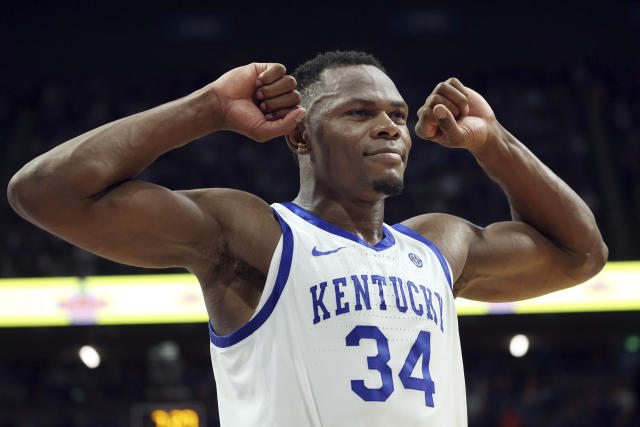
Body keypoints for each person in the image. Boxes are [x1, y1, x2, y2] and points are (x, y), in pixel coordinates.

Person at [7, 51, 607, 426]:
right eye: (358, 113)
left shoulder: (438, 246)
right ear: (300, 138)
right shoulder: (256, 235)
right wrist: (209, 108)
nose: (389, 127)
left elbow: (582, 254)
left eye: (398, 115)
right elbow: (43, 193)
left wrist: (492, 141)